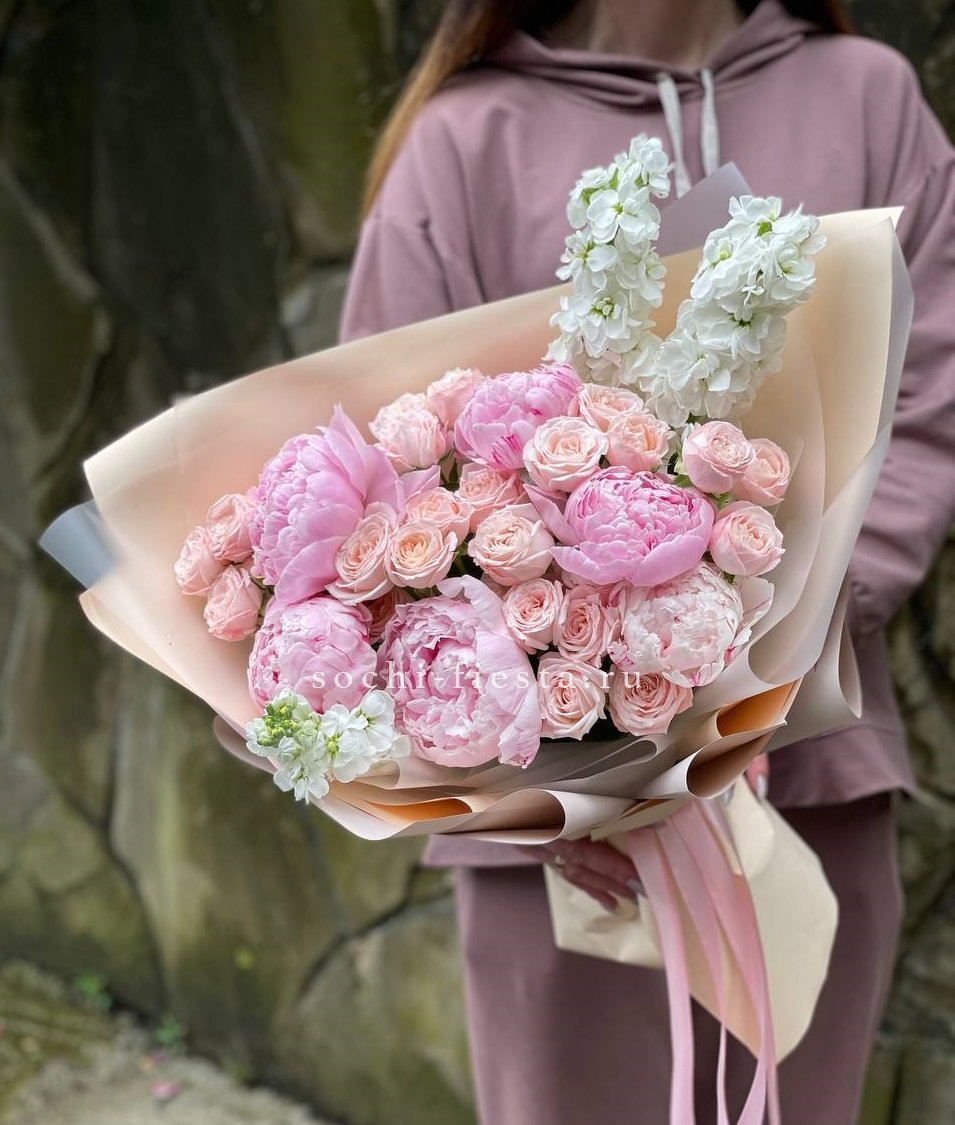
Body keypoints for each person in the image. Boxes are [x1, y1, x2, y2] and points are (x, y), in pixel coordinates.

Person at [339, 1, 955, 1120]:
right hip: (561, 836)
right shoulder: (463, 140)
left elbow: (928, 400)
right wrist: (562, 754)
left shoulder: (865, 96)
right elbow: (387, 488)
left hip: (810, 779)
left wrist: (761, 648)